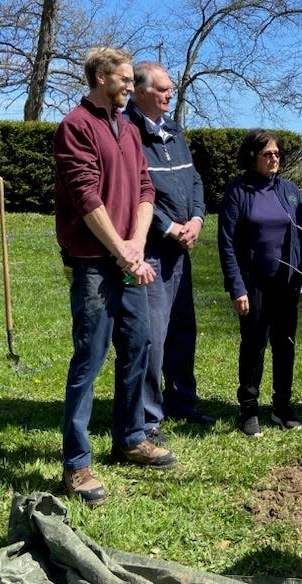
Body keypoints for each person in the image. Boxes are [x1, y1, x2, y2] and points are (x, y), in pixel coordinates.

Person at [53, 47, 177, 507]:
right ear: (102, 76)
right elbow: (85, 197)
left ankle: (130, 438)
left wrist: (137, 244)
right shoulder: (75, 127)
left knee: (139, 345)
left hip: (129, 258)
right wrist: (120, 249)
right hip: (93, 262)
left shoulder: (127, 129)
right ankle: (77, 463)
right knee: (89, 356)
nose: (131, 85)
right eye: (125, 79)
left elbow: (146, 188)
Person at [123, 61, 214, 444]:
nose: (169, 95)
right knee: (153, 336)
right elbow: (134, 190)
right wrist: (169, 226)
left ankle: (181, 402)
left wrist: (196, 219)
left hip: (181, 249)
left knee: (182, 329)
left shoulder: (174, 131)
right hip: (153, 252)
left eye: (171, 89)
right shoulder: (128, 132)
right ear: (140, 91)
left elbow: (193, 179)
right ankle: (147, 419)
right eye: (162, 89)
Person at [217, 129, 302, 437]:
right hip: (253, 284)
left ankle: (282, 406)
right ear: (252, 158)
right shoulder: (238, 191)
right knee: (254, 345)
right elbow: (227, 243)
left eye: (277, 154)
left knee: (285, 346)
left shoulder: (290, 190)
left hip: (286, 284)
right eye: (267, 155)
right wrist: (237, 287)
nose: (274, 159)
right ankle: (248, 408)